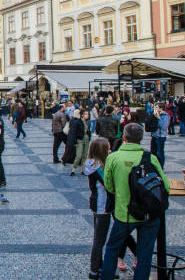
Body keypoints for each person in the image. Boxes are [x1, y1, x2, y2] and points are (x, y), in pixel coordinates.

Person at [100, 123, 170, 280]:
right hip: (149, 214)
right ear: (141, 138)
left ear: (123, 137)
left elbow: (109, 186)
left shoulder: (113, 157)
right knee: (144, 254)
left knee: (112, 249)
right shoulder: (150, 157)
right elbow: (166, 186)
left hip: (124, 213)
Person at [84, 138, 113, 279]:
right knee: (99, 239)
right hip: (103, 205)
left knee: (99, 237)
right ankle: (94, 269)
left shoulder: (90, 164)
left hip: (96, 203)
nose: (110, 150)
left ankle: (99, 266)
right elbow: (109, 185)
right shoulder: (99, 167)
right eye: (108, 148)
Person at [151, 102, 170, 170]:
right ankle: (155, 167)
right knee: (153, 152)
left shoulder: (166, 115)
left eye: (156, 107)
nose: (155, 109)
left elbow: (164, 127)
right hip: (154, 135)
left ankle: (161, 168)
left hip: (161, 136)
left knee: (160, 153)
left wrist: (159, 118)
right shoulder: (156, 115)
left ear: (161, 108)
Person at [71, 109, 91, 176]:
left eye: (88, 114)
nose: (87, 115)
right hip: (80, 139)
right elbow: (74, 132)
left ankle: (82, 170)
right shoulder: (78, 122)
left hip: (86, 139)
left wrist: (89, 136)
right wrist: (75, 141)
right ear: (82, 115)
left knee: (85, 155)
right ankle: (73, 169)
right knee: (78, 155)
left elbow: (88, 131)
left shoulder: (88, 122)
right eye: (86, 114)